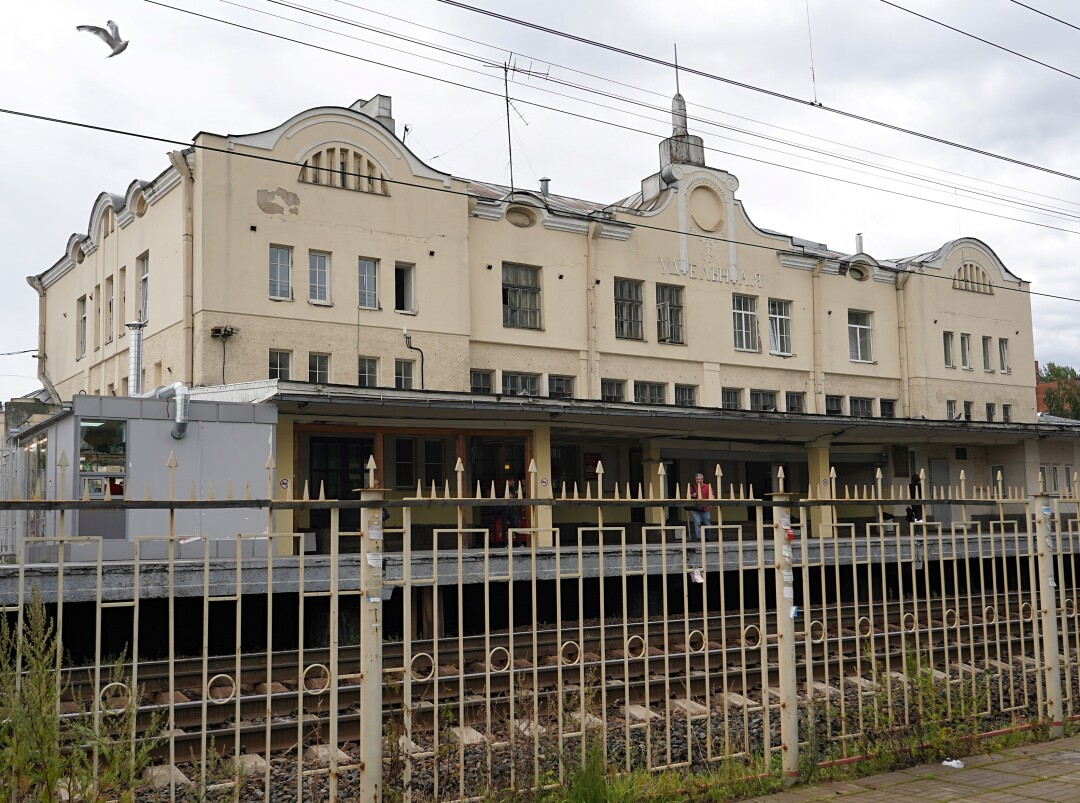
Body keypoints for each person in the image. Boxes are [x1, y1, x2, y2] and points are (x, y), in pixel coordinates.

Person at [689, 473, 714, 540]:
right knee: (697, 523)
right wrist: (692, 495)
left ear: (702, 479)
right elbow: (688, 496)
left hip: (706, 508)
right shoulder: (693, 487)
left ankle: (707, 537)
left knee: (707, 523)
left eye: (699, 479)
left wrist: (711, 503)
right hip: (696, 508)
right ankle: (699, 538)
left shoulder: (707, 486)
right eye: (696, 479)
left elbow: (712, 495)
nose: (698, 480)